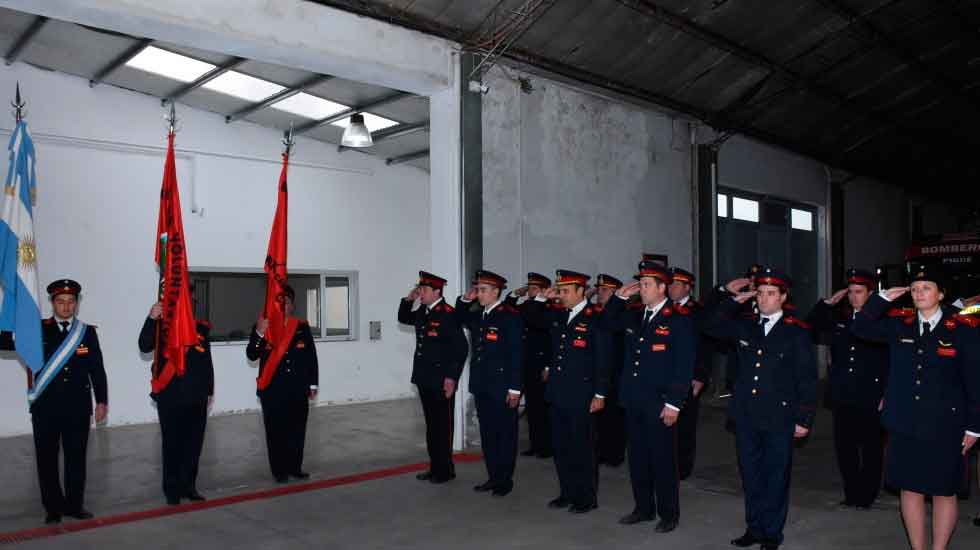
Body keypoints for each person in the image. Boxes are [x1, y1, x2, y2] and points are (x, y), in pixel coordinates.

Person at [851, 265, 979, 550]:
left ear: (941, 294)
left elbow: (975, 380)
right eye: (915, 288)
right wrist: (881, 299)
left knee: (944, 491)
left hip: (947, 424)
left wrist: (975, 426)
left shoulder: (963, 329)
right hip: (905, 422)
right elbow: (860, 327)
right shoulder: (900, 324)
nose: (919, 293)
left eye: (927, 288)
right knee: (910, 489)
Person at [703, 268, 818, 550]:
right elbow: (708, 324)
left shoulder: (796, 332)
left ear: (782, 297)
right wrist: (732, 299)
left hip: (779, 415)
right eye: (761, 293)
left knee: (775, 476)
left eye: (770, 294)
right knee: (751, 473)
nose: (764, 299)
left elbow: (806, 378)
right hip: (746, 414)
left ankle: (771, 533)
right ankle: (754, 527)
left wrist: (803, 417)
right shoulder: (745, 325)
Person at [602, 261, 694, 532]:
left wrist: (674, 403)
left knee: (663, 460)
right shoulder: (634, 314)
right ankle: (643, 508)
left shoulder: (678, 319)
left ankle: (669, 514)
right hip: (633, 400)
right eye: (640, 284)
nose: (640, 289)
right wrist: (618, 299)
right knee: (638, 457)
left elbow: (683, 365)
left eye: (645, 285)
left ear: (662, 287)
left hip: (660, 402)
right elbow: (606, 325)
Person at [524, 270, 610, 514]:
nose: (560, 295)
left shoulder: (595, 317)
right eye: (559, 291)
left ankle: (586, 497)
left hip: (583, 394)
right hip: (558, 392)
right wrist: (541, 298)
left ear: (581, 292)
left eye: (565, 291)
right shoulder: (559, 314)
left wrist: (600, 394)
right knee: (561, 446)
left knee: (582, 447)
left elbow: (604, 359)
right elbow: (530, 317)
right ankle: (567, 492)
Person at [806, 268, 888, 510]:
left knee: (871, 449)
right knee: (845, 448)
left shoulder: (882, 322)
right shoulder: (840, 319)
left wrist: (887, 393)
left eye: (859, 292)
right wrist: (827, 304)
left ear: (870, 294)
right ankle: (851, 493)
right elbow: (809, 327)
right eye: (850, 292)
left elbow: (891, 361)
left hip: (871, 395)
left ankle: (867, 495)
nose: (853, 297)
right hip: (843, 394)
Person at [32, 279, 108, 524]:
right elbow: (7, 341)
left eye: (71, 301)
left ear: (77, 303)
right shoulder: (37, 329)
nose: (66, 306)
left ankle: (75, 505)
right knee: (47, 459)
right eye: (61, 301)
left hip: (77, 407)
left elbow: (97, 369)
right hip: (46, 408)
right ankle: (52, 507)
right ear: (53, 303)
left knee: (76, 458)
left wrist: (102, 401)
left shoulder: (87, 332)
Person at [139, 301, 215, 505]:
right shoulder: (161, 325)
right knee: (172, 445)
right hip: (170, 396)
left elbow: (207, 361)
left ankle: (189, 487)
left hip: (196, 397)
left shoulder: (201, 328)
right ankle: (172, 491)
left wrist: (209, 390)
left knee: (193, 445)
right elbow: (144, 346)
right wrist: (151, 318)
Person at [397, 271, 468, 484]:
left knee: (443, 427)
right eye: (419, 290)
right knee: (431, 426)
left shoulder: (448, 313)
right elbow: (403, 317)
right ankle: (435, 466)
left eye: (424, 290)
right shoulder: (423, 312)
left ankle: (445, 470)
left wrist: (451, 378)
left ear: (437, 291)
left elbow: (461, 348)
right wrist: (408, 300)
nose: (421, 293)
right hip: (424, 378)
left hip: (441, 380)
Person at [456, 270, 522, 496]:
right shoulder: (479, 315)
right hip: (483, 385)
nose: (479, 294)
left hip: (502, 387)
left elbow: (516, 354)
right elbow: (458, 317)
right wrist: (466, 299)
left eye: (483, 290)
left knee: (505, 435)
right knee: (488, 435)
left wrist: (515, 388)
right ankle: (493, 476)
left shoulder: (509, 316)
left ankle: (504, 480)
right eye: (478, 289)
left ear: (496, 292)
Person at [246, 285, 319, 483]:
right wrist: (260, 333)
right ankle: (279, 471)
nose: (283, 306)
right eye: (279, 302)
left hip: (297, 389)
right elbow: (251, 354)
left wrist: (313, 384)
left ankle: (295, 467)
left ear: (292, 305)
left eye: (286, 302)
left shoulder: (301, 327)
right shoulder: (264, 326)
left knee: (297, 430)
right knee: (275, 432)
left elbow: (311, 357)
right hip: (273, 390)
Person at [667, 266, 713, 480]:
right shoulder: (665, 309)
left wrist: (700, 377)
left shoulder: (698, 312)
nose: (671, 288)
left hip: (689, 376)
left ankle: (682, 468)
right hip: (666, 374)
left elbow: (704, 347)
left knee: (685, 424)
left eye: (676, 284)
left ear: (688, 288)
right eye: (670, 284)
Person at [507, 272, 554, 459]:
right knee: (532, 409)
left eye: (534, 288)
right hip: (526, 362)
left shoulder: (550, 307)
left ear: (544, 290)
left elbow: (553, 341)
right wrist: (514, 294)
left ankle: (546, 446)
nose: (530, 291)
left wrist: (549, 366)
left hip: (541, 364)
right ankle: (535, 444)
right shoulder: (528, 305)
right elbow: (508, 310)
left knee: (543, 409)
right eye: (529, 287)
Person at [592, 273, 627, 467]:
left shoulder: (622, 314)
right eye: (598, 289)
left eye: (604, 290)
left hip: (616, 373)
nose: (599, 293)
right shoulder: (596, 312)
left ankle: (614, 454)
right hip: (598, 373)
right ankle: (601, 451)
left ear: (615, 293)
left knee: (615, 417)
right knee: (599, 419)